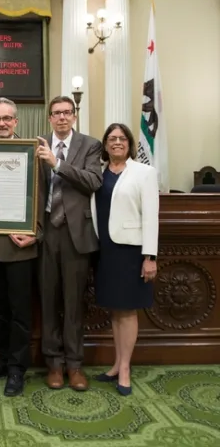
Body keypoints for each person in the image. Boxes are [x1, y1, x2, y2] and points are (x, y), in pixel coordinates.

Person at [0, 97, 44, 397]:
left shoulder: (33, 153)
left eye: (7, 118)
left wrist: (37, 233)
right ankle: (0, 362)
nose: (1, 123)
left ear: (16, 122)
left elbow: (42, 196)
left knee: (19, 313)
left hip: (21, 247)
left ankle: (17, 370)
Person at [36, 95, 102, 391]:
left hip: (76, 233)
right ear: (49, 118)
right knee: (48, 301)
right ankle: (53, 364)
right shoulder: (37, 146)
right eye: (56, 113)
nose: (62, 117)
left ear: (74, 116)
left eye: (67, 112)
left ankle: (74, 365)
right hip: (46, 231)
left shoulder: (89, 145)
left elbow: (93, 181)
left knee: (73, 303)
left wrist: (57, 163)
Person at [92, 123, 159, 396]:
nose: (116, 142)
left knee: (128, 310)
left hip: (131, 251)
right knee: (115, 309)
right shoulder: (98, 173)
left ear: (130, 144)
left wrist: (150, 256)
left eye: (121, 138)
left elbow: (151, 216)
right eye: (111, 139)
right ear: (105, 145)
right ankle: (116, 364)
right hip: (105, 249)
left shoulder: (144, 173)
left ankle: (126, 369)